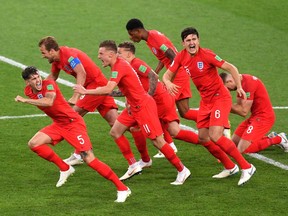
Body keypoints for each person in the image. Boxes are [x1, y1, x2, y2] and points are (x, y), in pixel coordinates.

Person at [73, 40, 191, 185]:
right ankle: (134, 165)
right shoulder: (118, 66)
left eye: (101, 54)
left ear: (111, 54)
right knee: (115, 131)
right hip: (133, 107)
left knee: (158, 141)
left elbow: (109, 88)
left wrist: (86, 91)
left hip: (143, 107)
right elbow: (119, 90)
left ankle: (182, 169)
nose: (98, 57)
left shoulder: (119, 67)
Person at [117, 41, 239, 173]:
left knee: (155, 134)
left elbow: (157, 70)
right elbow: (134, 86)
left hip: (160, 100)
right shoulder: (130, 64)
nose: (118, 56)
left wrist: (151, 93)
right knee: (176, 127)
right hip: (157, 99)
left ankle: (177, 165)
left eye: (119, 53)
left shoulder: (141, 58)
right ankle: (154, 157)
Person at [15, 66, 131, 202]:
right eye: (33, 79)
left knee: (89, 159)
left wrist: (25, 100)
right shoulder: (28, 91)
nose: (38, 80)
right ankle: (65, 168)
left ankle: (123, 188)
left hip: (73, 123)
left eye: (38, 77)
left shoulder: (49, 84)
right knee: (34, 144)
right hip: (59, 124)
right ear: (27, 82)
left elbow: (49, 101)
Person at [162, 27, 256, 186]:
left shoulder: (207, 55)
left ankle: (247, 167)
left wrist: (239, 86)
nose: (192, 43)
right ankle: (230, 166)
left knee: (216, 135)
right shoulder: (181, 57)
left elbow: (230, 67)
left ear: (198, 40)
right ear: (183, 43)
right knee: (203, 138)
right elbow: (167, 75)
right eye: (188, 40)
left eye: (194, 39)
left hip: (220, 97)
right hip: (206, 101)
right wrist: (168, 82)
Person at [38, 36, 146, 168]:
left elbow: (81, 73)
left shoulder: (69, 56)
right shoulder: (56, 61)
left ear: (52, 51)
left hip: (95, 86)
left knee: (71, 117)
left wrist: (76, 96)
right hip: (98, 86)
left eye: (43, 53)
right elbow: (52, 77)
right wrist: (40, 88)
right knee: (116, 123)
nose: (42, 56)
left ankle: (80, 154)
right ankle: (150, 144)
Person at [126, 18, 198, 158]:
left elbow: (173, 56)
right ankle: (213, 119)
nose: (130, 37)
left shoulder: (155, 38)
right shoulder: (150, 39)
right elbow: (163, 57)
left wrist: (168, 78)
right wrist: (155, 73)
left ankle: (169, 145)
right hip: (177, 74)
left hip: (178, 76)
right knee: (185, 112)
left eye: (131, 34)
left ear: (138, 31)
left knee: (161, 108)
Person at [220, 72, 288, 153]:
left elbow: (243, 111)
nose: (229, 91)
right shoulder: (240, 84)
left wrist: (222, 103)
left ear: (229, 81)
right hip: (255, 117)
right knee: (234, 144)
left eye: (227, 88)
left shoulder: (249, 83)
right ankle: (270, 137)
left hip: (264, 118)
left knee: (242, 149)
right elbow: (239, 106)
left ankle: (279, 139)